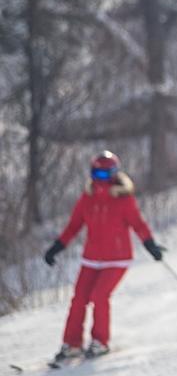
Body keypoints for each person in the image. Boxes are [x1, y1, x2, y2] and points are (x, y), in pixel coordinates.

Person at [43, 151, 163, 363]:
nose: (100, 179)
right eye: (96, 173)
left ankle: (100, 342)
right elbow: (73, 226)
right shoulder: (87, 197)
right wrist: (57, 247)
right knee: (79, 298)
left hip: (117, 258)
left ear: (114, 174)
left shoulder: (123, 199)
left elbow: (138, 224)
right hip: (92, 258)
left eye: (105, 174)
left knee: (99, 296)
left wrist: (150, 245)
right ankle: (72, 344)